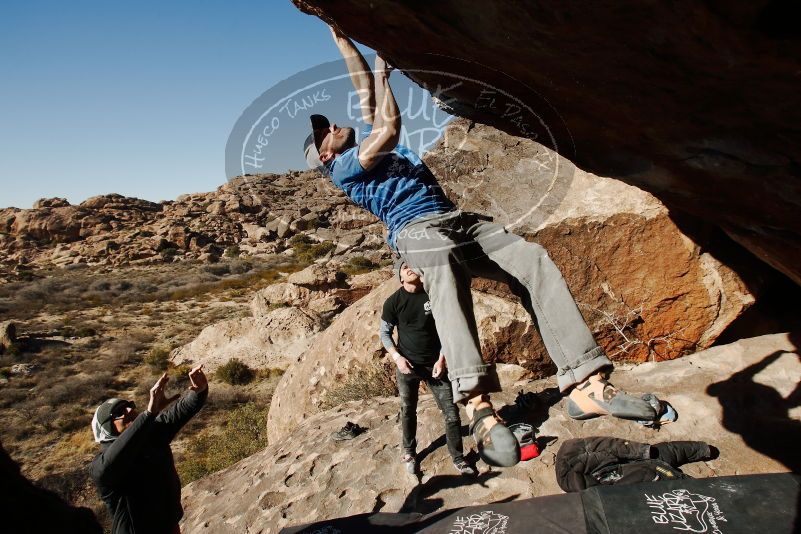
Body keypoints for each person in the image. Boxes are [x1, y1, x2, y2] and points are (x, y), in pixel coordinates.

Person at [303, 25, 671, 467]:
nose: (333, 126)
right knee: (444, 267)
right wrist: (385, 81)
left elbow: (363, 93)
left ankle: (586, 384)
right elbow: (389, 128)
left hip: (455, 218)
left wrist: (343, 39)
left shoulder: (354, 148)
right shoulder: (343, 169)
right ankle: (476, 405)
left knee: (532, 260)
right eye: (325, 132)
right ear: (324, 156)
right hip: (416, 232)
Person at [380, 259, 477, 477]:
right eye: (405, 268)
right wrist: (397, 358)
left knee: (451, 413)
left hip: (435, 364)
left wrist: (442, 358)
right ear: (400, 277)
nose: (410, 268)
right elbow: (384, 333)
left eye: (412, 265)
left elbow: (447, 328)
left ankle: (458, 458)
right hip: (408, 366)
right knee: (408, 410)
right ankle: (409, 452)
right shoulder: (393, 302)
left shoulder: (433, 295)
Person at [90, 365, 208, 534]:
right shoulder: (102, 464)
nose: (129, 410)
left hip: (169, 526)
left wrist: (199, 391)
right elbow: (106, 468)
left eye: (129, 405)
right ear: (107, 428)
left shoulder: (151, 435)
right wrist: (148, 414)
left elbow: (180, 410)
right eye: (119, 412)